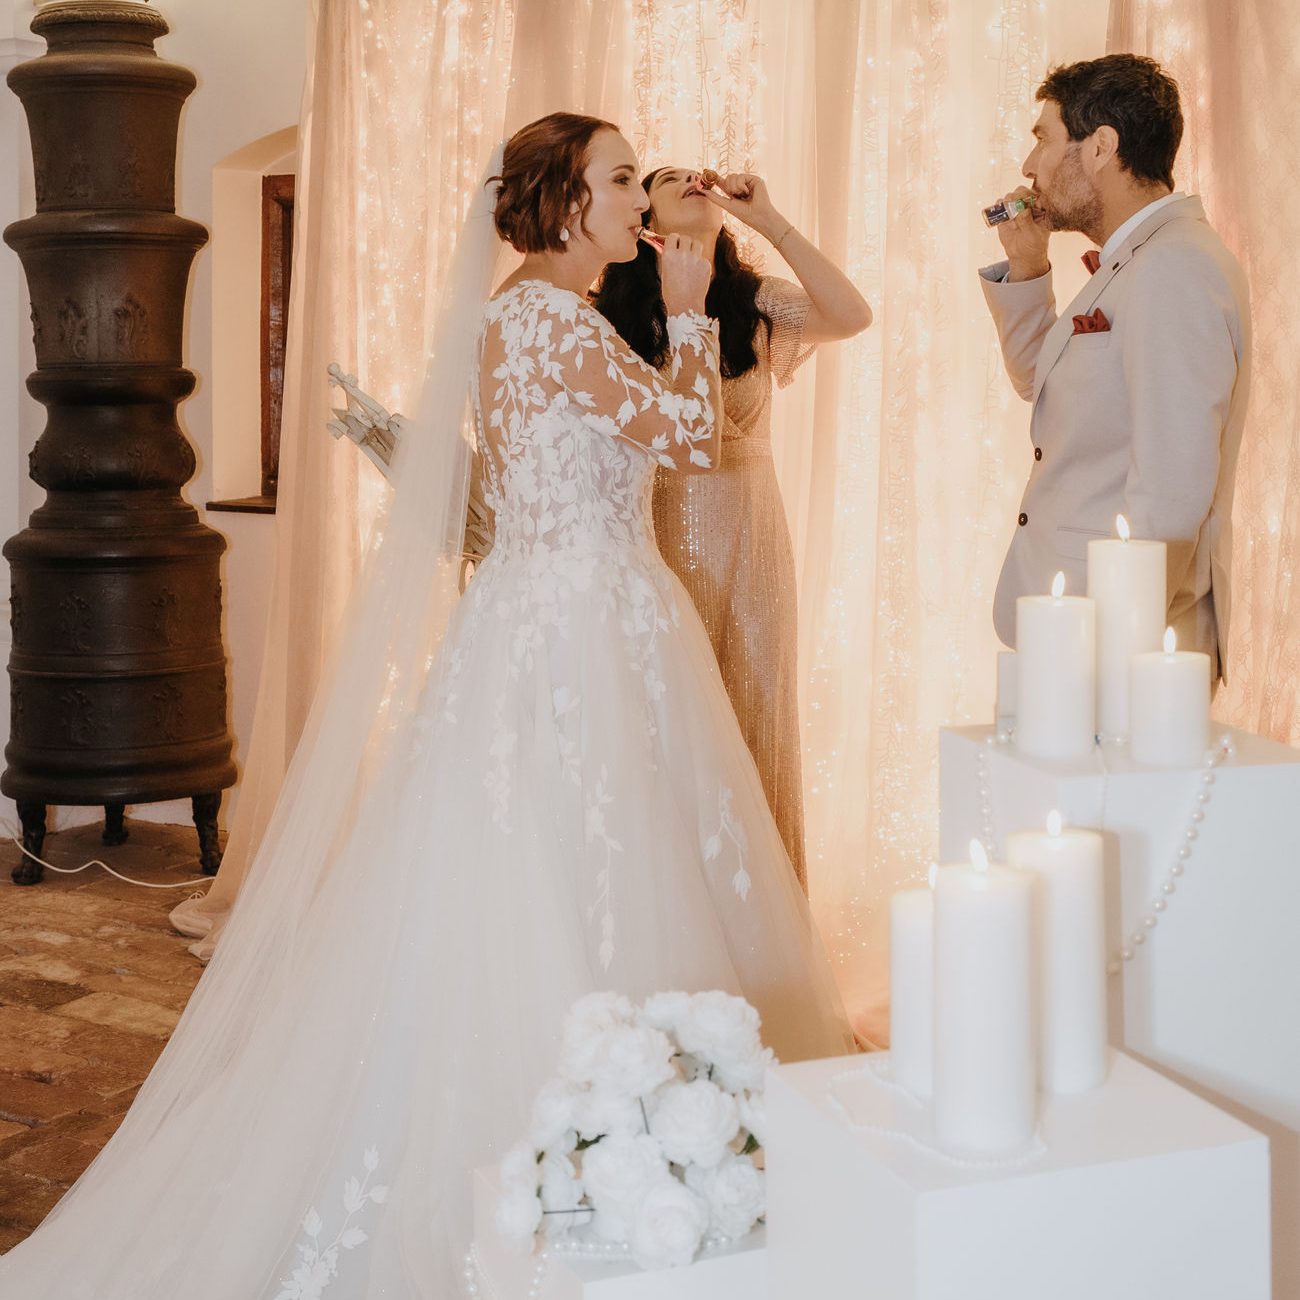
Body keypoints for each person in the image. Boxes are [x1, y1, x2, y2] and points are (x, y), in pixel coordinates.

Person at [0, 113, 852, 1299]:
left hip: (562, 613)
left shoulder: (518, 316)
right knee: (586, 860)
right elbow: (691, 437)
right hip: (584, 627)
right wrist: (693, 304)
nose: (637, 200)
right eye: (619, 180)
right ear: (566, 203)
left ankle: (644, 1145)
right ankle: (604, 1158)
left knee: (561, 856)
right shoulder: (555, 320)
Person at [594, 168, 870, 889]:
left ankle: (767, 914)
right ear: (643, 216)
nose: (692, 179)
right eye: (667, 178)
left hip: (752, 536)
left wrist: (768, 220)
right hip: (654, 534)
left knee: (755, 715)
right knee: (672, 722)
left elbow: (852, 314)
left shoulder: (755, 302)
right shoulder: (611, 314)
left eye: (699, 174)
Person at [981, 53, 1249, 678]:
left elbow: (1171, 491)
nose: (1028, 165)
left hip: (1122, 644)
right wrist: (1027, 266)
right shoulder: (1138, 261)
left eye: (1043, 138)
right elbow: (1041, 382)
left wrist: (1112, 654)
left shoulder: (1174, 267)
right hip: (1077, 625)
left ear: (1101, 147)